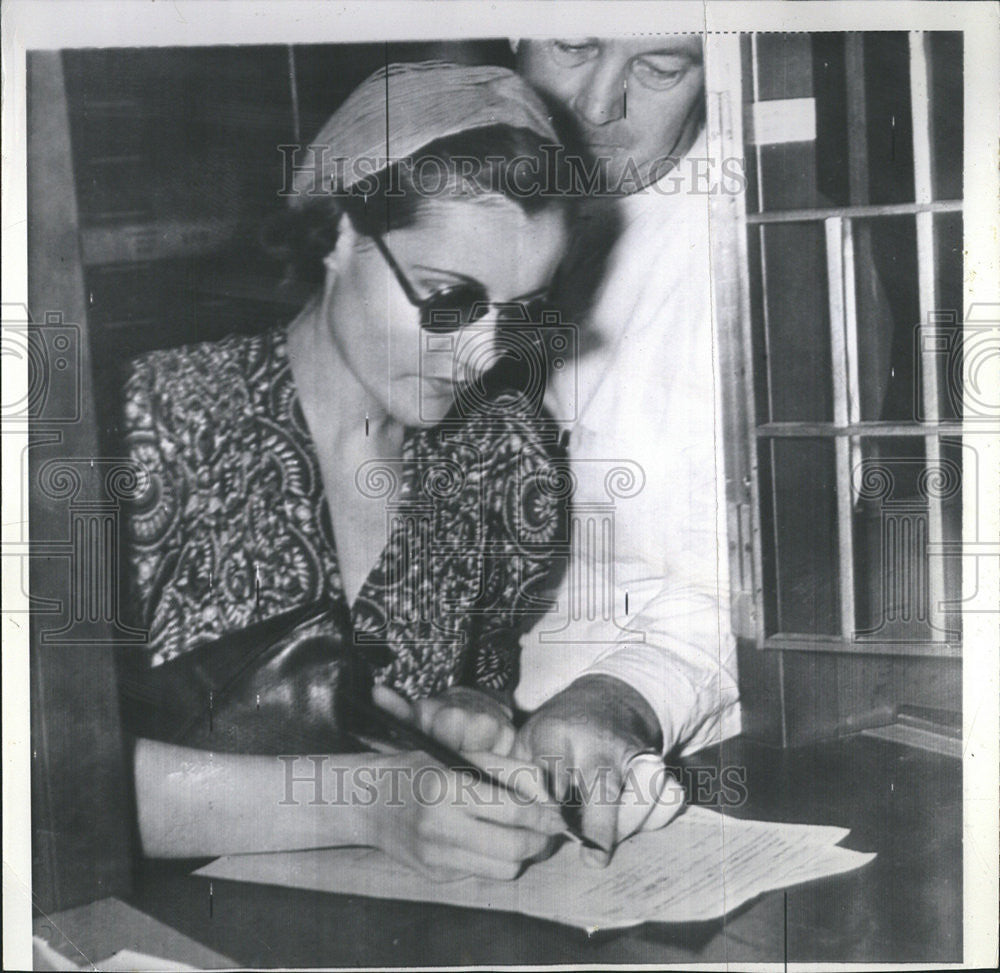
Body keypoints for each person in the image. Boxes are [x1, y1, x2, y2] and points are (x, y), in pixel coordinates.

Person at [119, 61, 577, 881]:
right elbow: (45, 775)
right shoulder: (149, 424)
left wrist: (467, 717)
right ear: (337, 232)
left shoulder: (506, 456)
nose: (486, 353)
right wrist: (363, 801)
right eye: (447, 297)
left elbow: (469, 679)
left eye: (521, 313)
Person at [397, 37, 741, 864]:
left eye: (659, 69)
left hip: (658, 755)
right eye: (574, 45)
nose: (594, 105)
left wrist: (624, 694)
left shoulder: (760, 248)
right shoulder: (449, 184)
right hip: (452, 758)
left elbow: (783, 585)